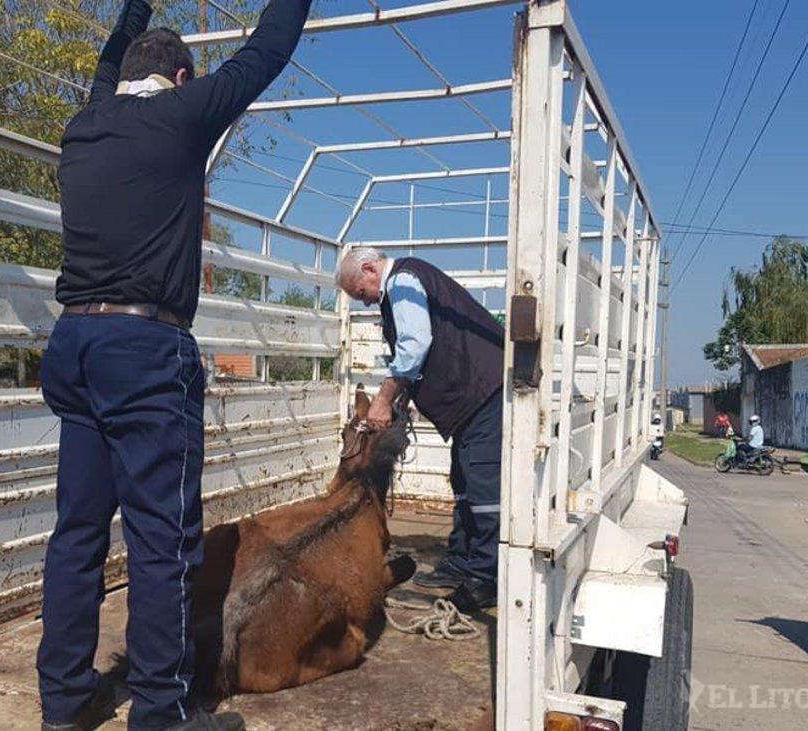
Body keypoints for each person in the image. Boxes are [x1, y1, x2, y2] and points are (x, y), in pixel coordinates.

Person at [37, 0, 311, 728]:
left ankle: (64, 700)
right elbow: (270, 48)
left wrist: (132, 10)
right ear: (181, 76)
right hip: (143, 350)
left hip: (75, 345)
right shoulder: (183, 115)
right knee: (162, 543)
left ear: (126, 77)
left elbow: (105, 68)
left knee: (77, 534)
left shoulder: (85, 124)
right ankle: (158, 713)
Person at [335, 247, 504, 612]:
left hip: (484, 390)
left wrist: (383, 400)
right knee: (463, 479)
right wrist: (404, 399)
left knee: (483, 484)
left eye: (360, 293)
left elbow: (415, 344)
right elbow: (425, 349)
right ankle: (463, 560)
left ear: (368, 268)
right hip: (473, 397)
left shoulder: (404, 281)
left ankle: (488, 578)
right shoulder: (407, 282)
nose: (364, 303)